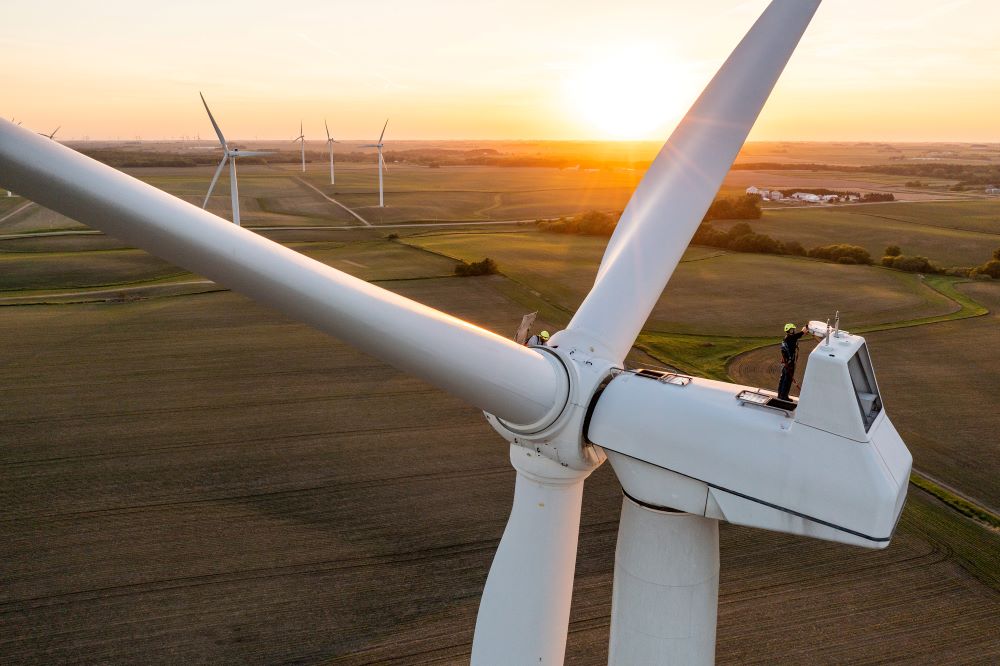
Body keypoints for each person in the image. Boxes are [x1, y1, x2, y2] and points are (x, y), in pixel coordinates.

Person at [777, 322, 807, 401]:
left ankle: (780, 395)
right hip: (789, 364)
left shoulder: (787, 338)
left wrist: (803, 332)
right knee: (787, 380)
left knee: (783, 378)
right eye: (792, 330)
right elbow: (797, 336)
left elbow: (796, 337)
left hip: (785, 363)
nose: (793, 331)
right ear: (789, 330)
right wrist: (804, 330)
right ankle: (784, 397)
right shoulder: (790, 338)